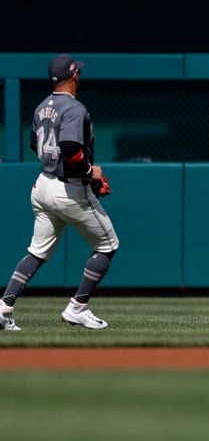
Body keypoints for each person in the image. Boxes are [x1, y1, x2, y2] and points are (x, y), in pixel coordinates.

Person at [0, 54, 119, 331]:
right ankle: (78, 307)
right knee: (108, 245)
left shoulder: (42, 106)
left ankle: (4, 306)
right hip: (68, 189)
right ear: (74, 75)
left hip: (42, 185)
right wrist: (89, 173)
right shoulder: (74, 109)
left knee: (37, 252)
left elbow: (34, 143)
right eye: (78, 71)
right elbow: (68, 147)